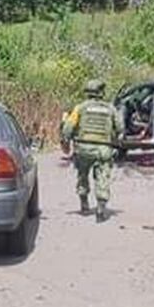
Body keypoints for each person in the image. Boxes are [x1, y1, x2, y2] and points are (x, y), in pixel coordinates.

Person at [61, 79, 123, 222]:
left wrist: (66, 141)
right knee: (102, 177)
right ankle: (101, 209)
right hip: (103, 149)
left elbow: (68, 128)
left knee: (82, 175)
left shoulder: (80, 108)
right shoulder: (111, 109)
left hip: (83, 148)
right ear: (102, 93)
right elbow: (120, 129)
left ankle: (84, 204)